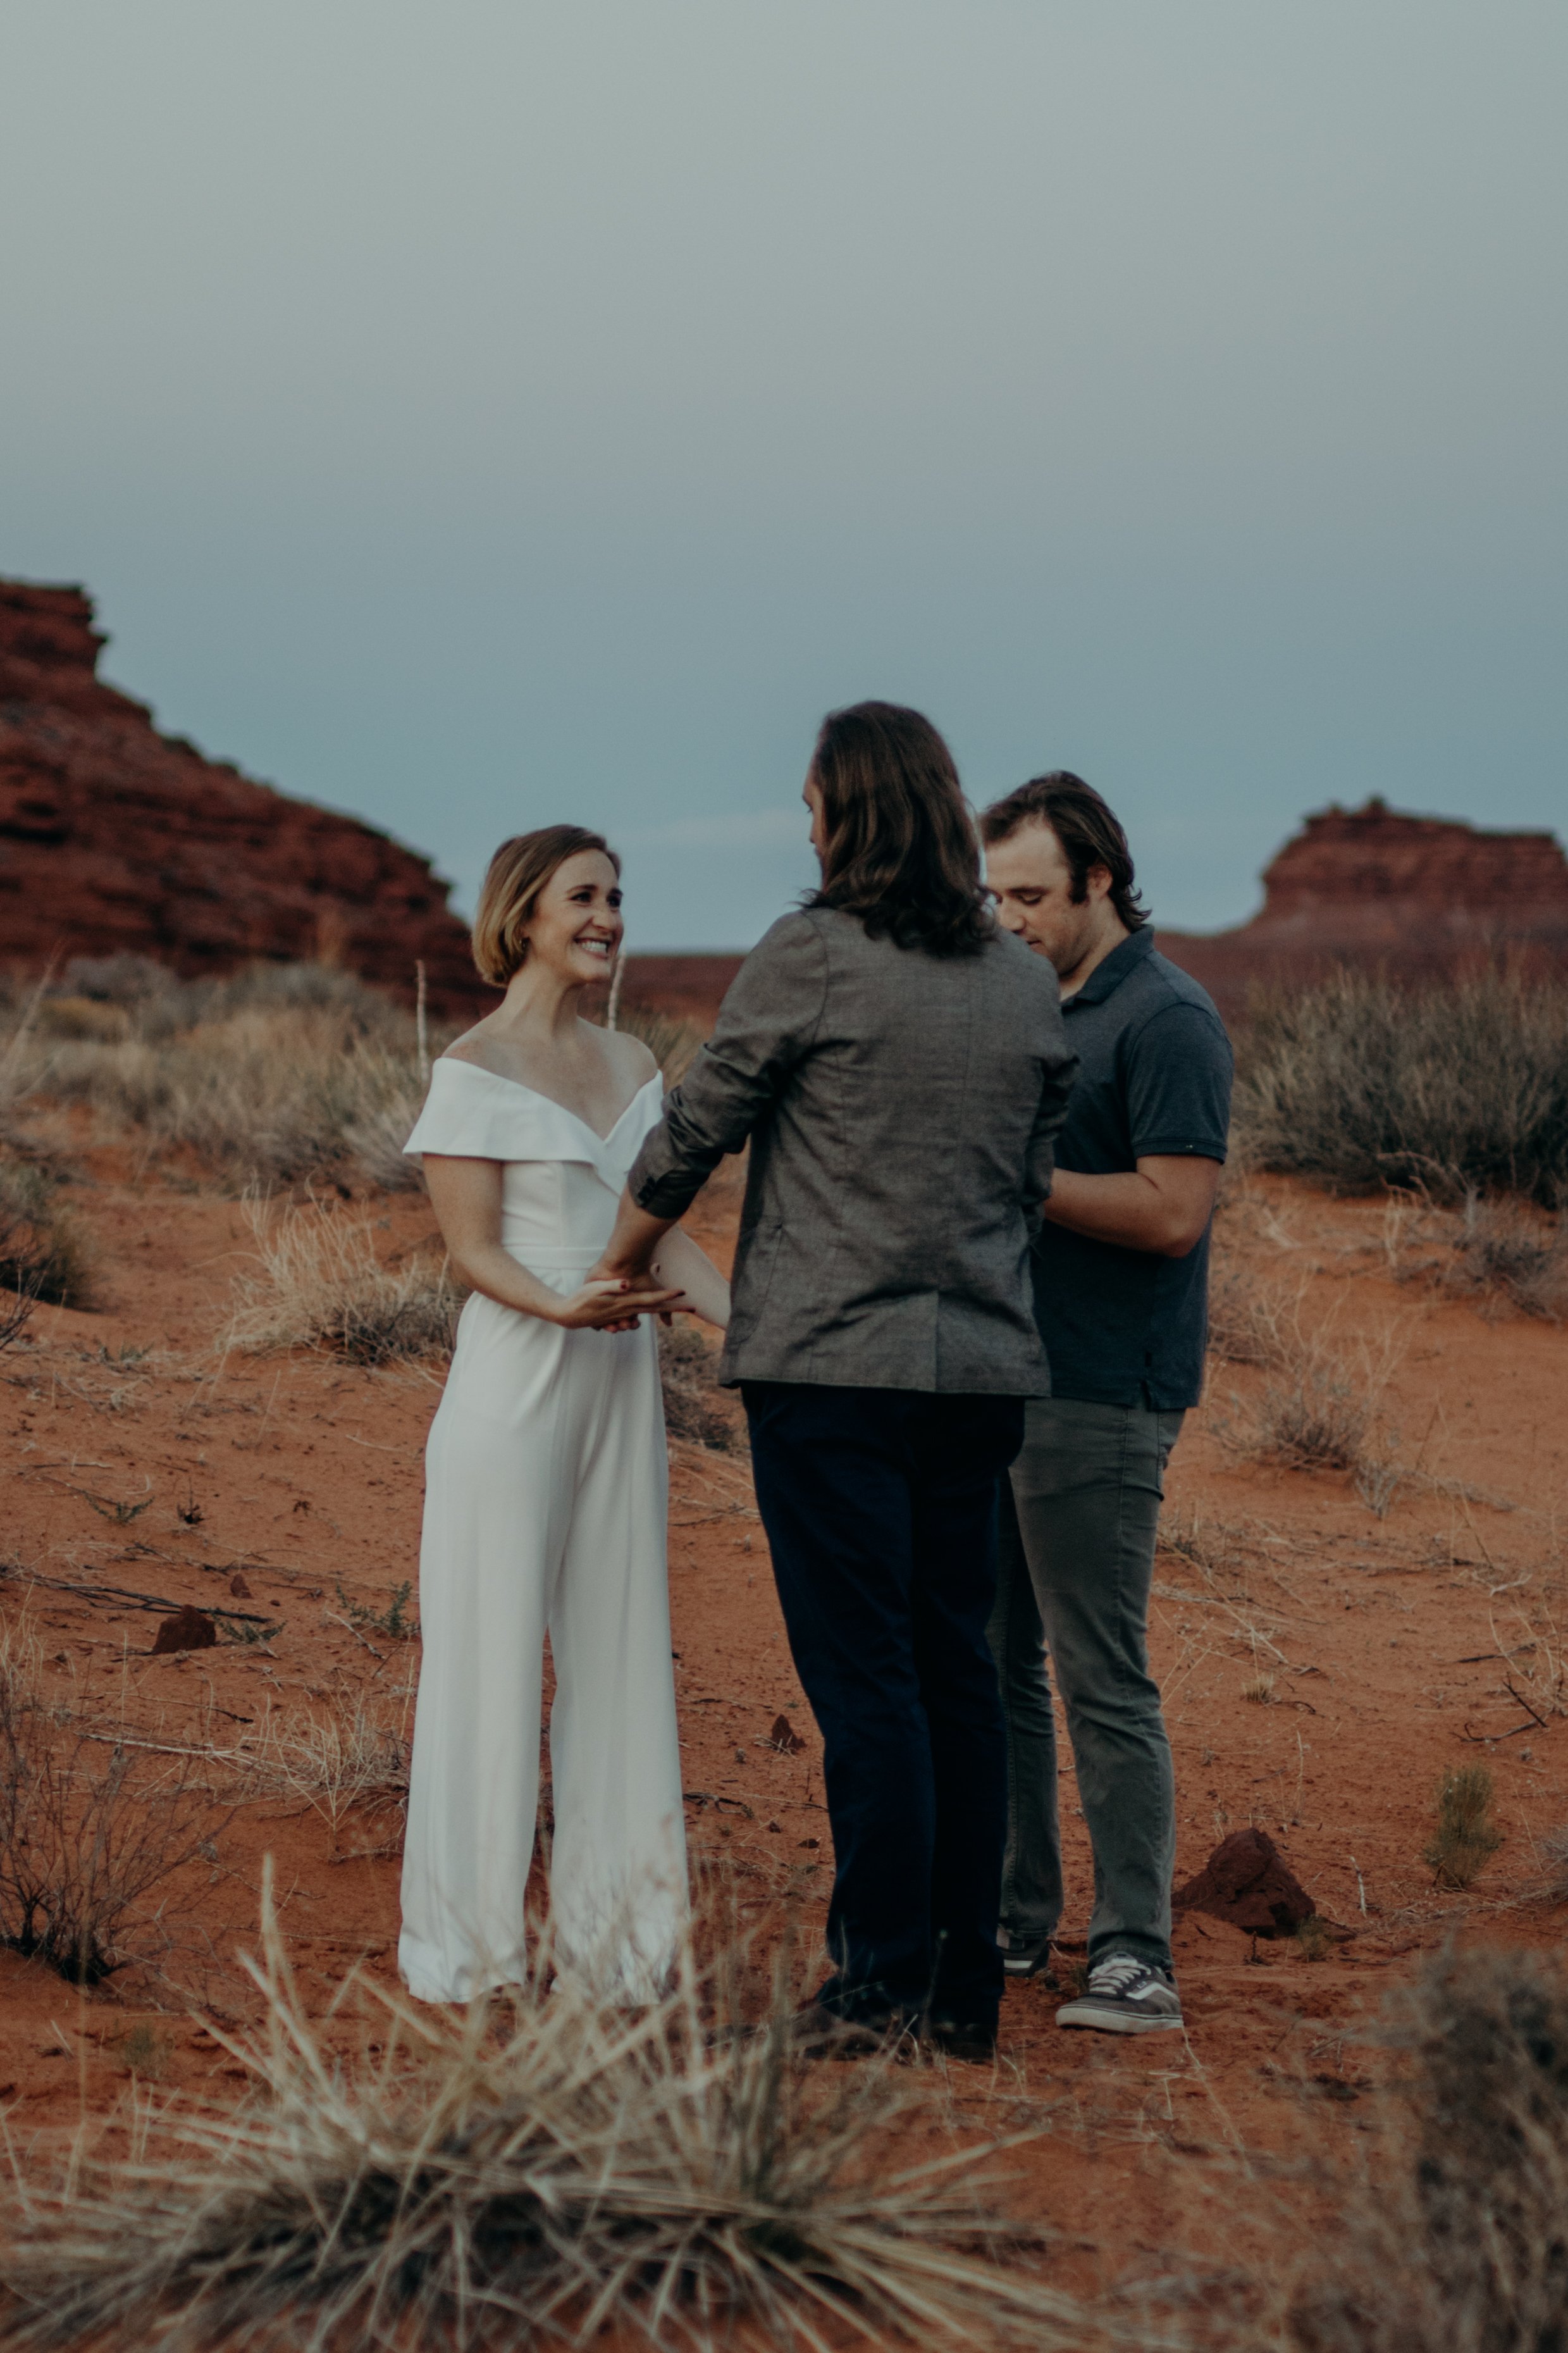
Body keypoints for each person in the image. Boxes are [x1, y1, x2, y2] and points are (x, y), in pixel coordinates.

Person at [588, 704, 1077, 2059]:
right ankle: (963, 1993)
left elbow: (700, 1123)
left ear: (843, 809)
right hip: (978, 1374)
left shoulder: (809, 953)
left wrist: (620, 1255)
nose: (800, 821)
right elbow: (1030, 1176)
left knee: (867, 1680)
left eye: (808, 800)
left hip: (831, 1371)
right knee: (956, 1673)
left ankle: (875, 1986)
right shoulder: (1022, 981)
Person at [398, 825, 731, 2006]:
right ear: (524, 914)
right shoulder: (473, 1068)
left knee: (622, 1647)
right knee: (487, 1658)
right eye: (585, 897)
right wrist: (565, 1304)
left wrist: (754, 1331)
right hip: (515, 1385)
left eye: (618, 897)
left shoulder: (636, 1062)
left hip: (619, 1388)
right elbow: (472, 1252)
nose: (610, 917)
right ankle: (465, 1954)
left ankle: (623, 1954)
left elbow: (666, 1233)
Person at [978, 773, 1233, 2035]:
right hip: (1000, 1377)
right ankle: (1014, 1919)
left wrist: (1023, 1179)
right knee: (993, 1661)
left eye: (1029, 895)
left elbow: (1174, 1211)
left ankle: (1135, 1954)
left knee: (1097, 1675)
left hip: (1099, 1393)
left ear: (1096, 881)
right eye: (993, 895)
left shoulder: (1166, 1019)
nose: (1006, 917)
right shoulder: (1041, 1005)